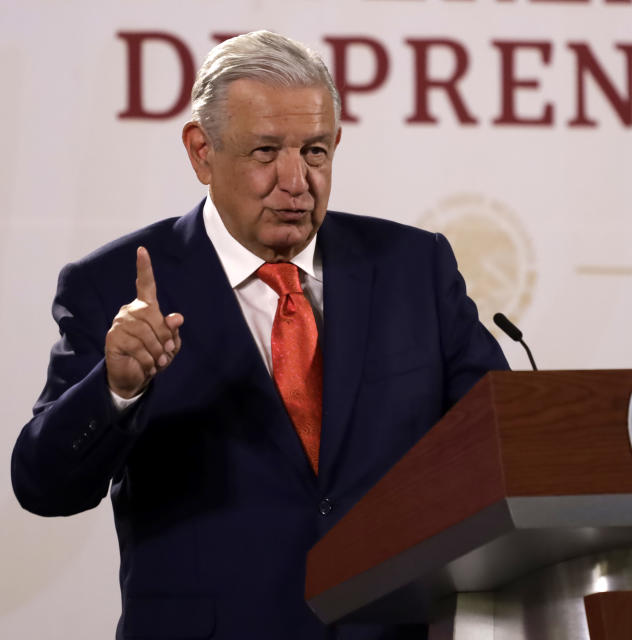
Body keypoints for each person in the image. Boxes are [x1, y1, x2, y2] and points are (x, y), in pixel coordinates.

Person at [11, 31, 508, 640]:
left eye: (316, 152)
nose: (295, 180)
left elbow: (502, 437)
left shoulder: (414, 266)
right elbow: (43, 486)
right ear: (201, 152)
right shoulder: (111, 284)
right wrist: (115, 390)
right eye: (266, 152)